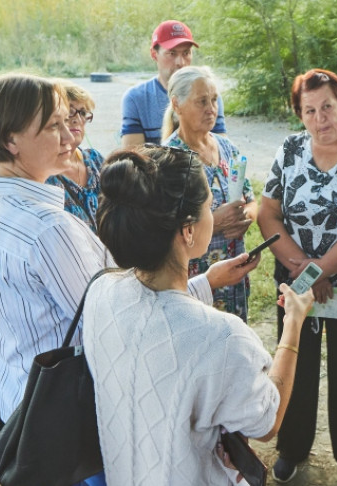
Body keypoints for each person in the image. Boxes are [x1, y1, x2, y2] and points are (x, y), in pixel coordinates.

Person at [0, 74, 256, 486]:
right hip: (70, 420)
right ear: (11, 140)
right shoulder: (49, 229)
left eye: (69, 120)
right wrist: (202, 287)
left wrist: (206, 279)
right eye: (53, 126)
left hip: (21, 404)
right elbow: (125, 323)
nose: (71, 137)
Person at [83, 144, 314, 485]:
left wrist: (208, 281)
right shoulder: (221, 337)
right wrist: (292, 325)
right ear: (188, 230)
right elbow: (266, 421)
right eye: (209, 206)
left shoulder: (101, 292)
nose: (213, 213)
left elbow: (156, 317)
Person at [258, 69, 337, 486]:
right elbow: (267, 212)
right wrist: (303, 270)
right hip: (295, 274)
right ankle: (291, 447)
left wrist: (322, 270)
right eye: (309, 111)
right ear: (299, 115)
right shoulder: (289, 149)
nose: (320, 118)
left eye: (327, 106)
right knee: (295, 358)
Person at [162, 66, 257, 322]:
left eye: (214, 100)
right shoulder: (168, 158)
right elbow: (162, 228)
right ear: (177, 104)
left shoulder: (226, 147)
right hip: (195, 283)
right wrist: (215, 223)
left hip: (234, 274)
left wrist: (245, 216)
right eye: (202, 101)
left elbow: (251, 198)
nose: (211, 108)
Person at [121, 20, 226, 148]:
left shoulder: (209, 96)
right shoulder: (136, 98)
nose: (180, 62)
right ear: (154, 54)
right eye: (172, 53)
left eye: (186, 53)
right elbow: (133, 158)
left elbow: (221, 152)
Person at [45, 80, 104, 232]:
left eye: (83, 113)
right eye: (69, 112)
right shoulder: (42, 171)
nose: (76, 119)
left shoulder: (94, 159)